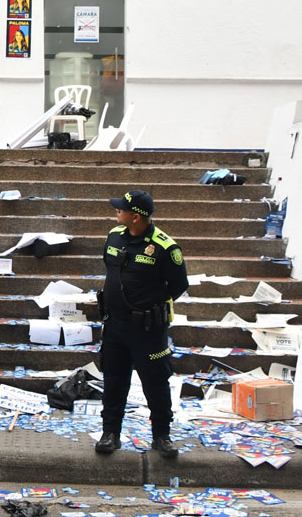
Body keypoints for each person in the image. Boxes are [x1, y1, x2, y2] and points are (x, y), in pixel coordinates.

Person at [94, 189, 189, 458]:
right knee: (113, 380)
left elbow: (179, 285)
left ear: (136, 217)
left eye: (121, 209)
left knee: (155, 382)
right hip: (115, 325)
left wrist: (150, 303)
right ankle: (110, 433)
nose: (116, 211)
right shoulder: (114, 236)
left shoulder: (165, 247)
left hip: (148, 329)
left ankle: (161, 435)